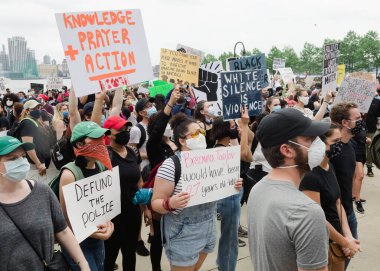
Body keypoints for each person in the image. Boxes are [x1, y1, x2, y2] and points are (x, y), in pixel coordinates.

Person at [151, 113, 242, 271]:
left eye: (202, 132)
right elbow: (156, 203)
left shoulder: (212, 159)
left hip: (209, 226)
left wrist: (231, 184)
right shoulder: (170, 166)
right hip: (183, 233)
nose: (200, 136)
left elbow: (216, 189)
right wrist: (170, 203)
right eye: (194, 133)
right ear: (182, 140)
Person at [248, 108, 330, 271]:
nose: (320, 144)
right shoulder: (306, 212)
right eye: (309, 139)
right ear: (287, 150)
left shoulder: (258, 189)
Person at [0, 136, 90, 270]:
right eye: (13, 159)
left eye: (23, 156)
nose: (20, 162)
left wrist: (83, 264)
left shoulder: (42, 191)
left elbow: (63, 231)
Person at [300, 123, 361, 271]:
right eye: (335, 142)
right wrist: (344, 242)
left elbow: (338, 203)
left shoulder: (330, 166)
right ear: (319, 145)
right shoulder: (311, 176)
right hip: (322, 244)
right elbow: (318, 218)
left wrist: (347, 235)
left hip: (336, 240)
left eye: (340, 140)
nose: (339, 145)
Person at [59, 121, 114, 271]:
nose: (101, 142)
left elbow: (104, 205)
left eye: (102, 138)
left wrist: (108, 225)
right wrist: (94, 233)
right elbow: (66, 222)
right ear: (79, 145)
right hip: (78, 243)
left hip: (98, 237)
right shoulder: (69, 175)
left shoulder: (101, 167)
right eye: (95, 139)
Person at [210, 108, 252, 271]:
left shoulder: (229, 144)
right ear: (225, 129)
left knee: (231, 236)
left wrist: (243, 132)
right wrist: (245, 125)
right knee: (229, 238)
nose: (236, 128)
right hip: (229, 197)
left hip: (235, 194)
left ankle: (225, 266)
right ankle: (226, 267)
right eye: (233, 125)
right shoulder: (220, 150)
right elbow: (242, 154)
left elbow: (248, 156)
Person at [103, 116, 145, 271]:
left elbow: (139, 181)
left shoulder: (132, 152)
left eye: (126, 129)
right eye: (120, 130)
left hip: (132, 212)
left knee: (129, 253)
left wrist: (145, 208)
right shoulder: (104, 156)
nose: (125, 132)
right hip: (112, 215)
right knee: (109, 255)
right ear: (108, 134)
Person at [145, 88, 180, 271]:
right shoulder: (153, 145)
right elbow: (159, 129)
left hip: (177, 195)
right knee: (158, 237)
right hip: (161, 197)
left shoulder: (174, 141)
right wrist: (170, 104)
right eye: (161, 123)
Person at [329, 102, 361, 268]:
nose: (361, 122)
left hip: (349, 212)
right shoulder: (332, 150)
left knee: (347, 259)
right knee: (337, 262)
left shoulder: (352, 145)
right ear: (344, 123)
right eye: (357, 119)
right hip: (335, 216)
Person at [19, 100, 53, 182]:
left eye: (38, 107)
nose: (38, 110)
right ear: (27, 111)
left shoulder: (36, 121)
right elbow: (28, 146)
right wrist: (38, 163)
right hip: (35, 163)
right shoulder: (27, 123)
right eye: (34, 108)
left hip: (42, 161)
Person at [365, 88, 380, 177]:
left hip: (371, 129)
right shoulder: (357, 101)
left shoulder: (377, 102)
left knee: (369, 148)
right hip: (357, 129)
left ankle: (369, 167)